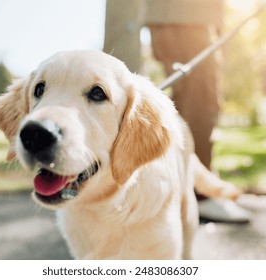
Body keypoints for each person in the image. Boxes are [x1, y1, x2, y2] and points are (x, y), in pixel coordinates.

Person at [104, 0, 250, 223]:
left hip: (187, 19)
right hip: (184, 18)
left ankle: (184, 186)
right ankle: (198, 195)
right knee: (200, 101)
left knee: (188, 103)